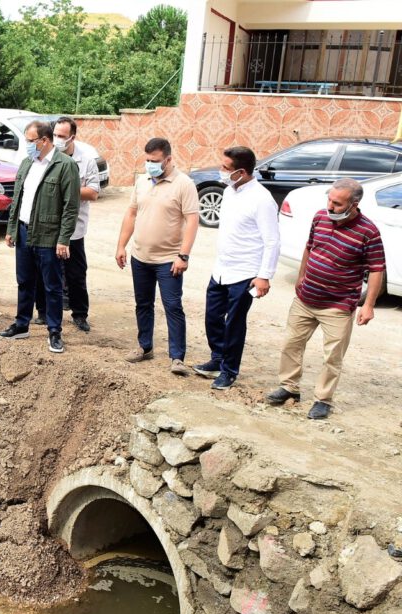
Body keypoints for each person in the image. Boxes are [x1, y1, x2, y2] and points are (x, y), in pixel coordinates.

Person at [266, 178, 385, 420]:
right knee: (291, 343)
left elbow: (376, 268)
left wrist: (369, 305)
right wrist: (301, 276)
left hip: (338, 305)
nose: (330, 206)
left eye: (338, 204)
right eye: (329, 200)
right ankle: (289, 387)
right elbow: (310, 247)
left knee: (332, 356)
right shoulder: (320, 217)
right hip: (306, 297)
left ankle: (323, 399)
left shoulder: (368, 231)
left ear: (354, 204)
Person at [193, 146, 279, 390]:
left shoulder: (262, 200)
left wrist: (264, 276)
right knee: (212, 317)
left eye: (225, 168)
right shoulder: (230, 191)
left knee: (235, 323)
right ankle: (217, 358)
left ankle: (229, 370)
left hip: (245, 273)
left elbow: (272, 241)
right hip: (221, 269)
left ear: (241, 171)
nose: (221, 171)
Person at [115, 137, 200, 375]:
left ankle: (177, 357)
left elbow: (192, 221)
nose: (150, 164)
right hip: (140, 256)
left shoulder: (184, 184)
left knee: (173, 306)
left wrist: (183, 255)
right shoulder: (142, 181)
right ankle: (145, 347)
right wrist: (121, 245)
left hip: (168, 259)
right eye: (147, 160)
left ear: (169, 159)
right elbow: (131, 214)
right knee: (143, 304)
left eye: (155, 161)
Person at [0, 121, 80, 353]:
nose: (26, 145)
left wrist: (64, 239)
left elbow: (70, 207)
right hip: (24, 232)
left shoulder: (65, 165)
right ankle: (22, 324)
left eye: (30, 141)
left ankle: (54, 331)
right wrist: (11, 229)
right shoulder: (26, 163)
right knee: (24, 281)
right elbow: (19, 200)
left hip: (49, 236)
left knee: (52, 286)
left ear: (44, 141)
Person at [46, 116, 100, 333]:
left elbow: (93, 192)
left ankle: (80, 314)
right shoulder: (47, 157)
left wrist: (67, 189)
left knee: (76, 273)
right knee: (49, 273)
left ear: (72, 137)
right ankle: (47, 313)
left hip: (74, 229)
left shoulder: (86, 160)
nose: (57, 140)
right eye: (55, 135)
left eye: (61, 136)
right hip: (49, 226)